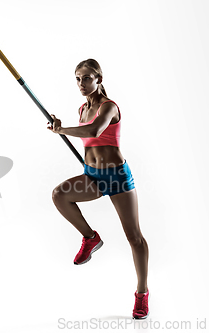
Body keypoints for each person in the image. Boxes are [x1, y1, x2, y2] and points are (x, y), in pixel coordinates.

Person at [46, 59, 150, 319]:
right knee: (60, 195)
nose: (82, 83)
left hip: (116, 177)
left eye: (87, 78)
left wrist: (61, 130)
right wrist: (63, 128)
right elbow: (86, 133)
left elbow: (94, 129)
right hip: (92, 176)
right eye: (78, 79)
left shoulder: (109, 107)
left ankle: (142, 293)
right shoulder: (82, 108)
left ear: (99, 79)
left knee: (134, 237)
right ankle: (91, 238)